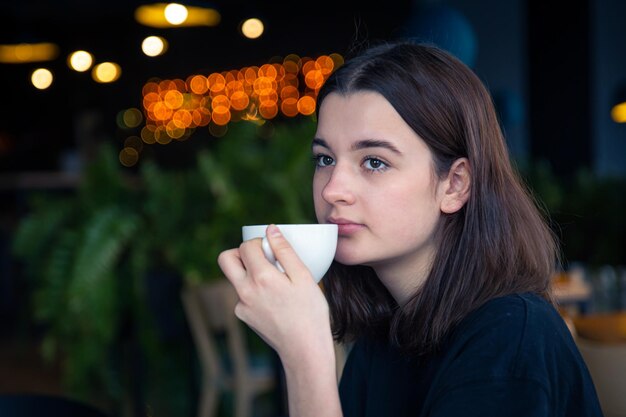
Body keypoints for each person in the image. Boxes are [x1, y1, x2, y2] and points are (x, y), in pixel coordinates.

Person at [217, 40, 603, 417]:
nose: (333, 190)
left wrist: (305, 356)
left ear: (454, 185)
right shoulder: (386, 339)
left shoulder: (511, 340)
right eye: (325, 159)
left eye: (374, 162)